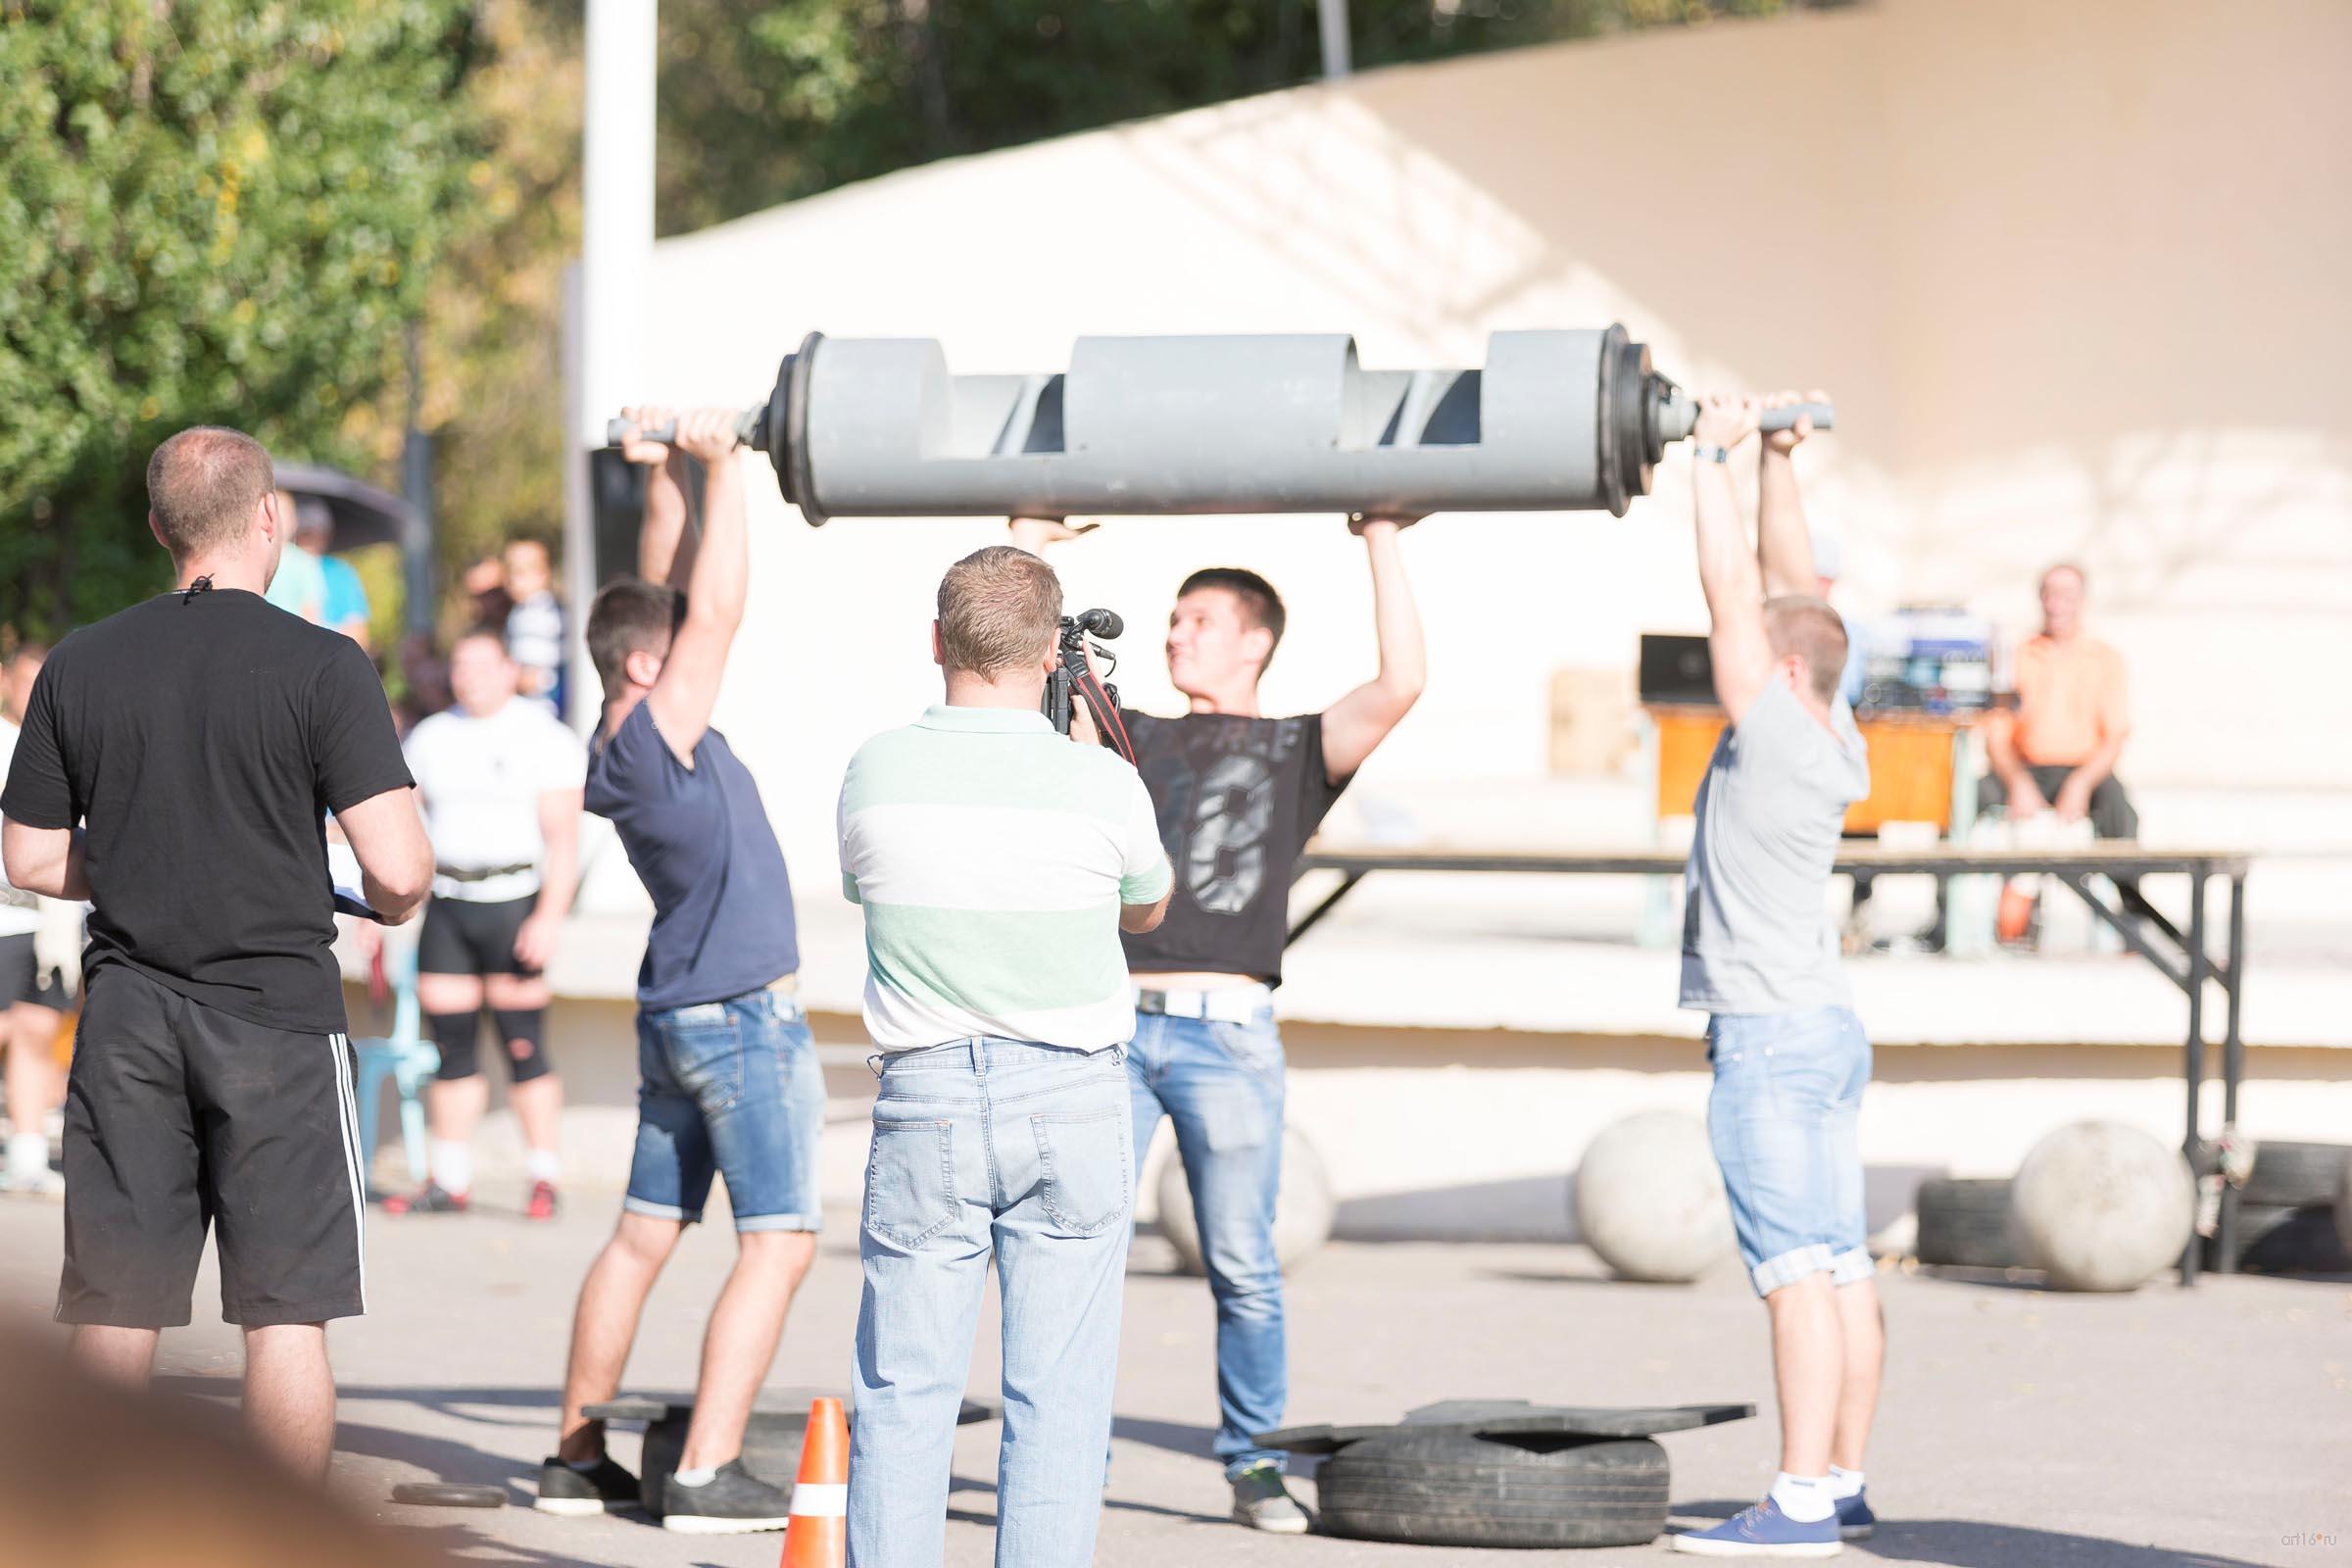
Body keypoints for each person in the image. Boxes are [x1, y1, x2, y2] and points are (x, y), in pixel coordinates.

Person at [0, 426, 432, 1479]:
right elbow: (404, 868)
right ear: (269, 517)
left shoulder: (81, 662)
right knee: (285, 1316)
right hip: (278, 1018)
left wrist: (150, 861)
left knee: (115, 1310)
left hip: (130, 1021)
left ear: (159, 530)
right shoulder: (325, 665)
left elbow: (31, 856)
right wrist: (362, 890)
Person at [1010, 507, 1426, 1532]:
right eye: (1172, 620)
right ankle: (1067, 1453)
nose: (1174, 633)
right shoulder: (1130, 732)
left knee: (1243, 1263)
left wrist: (1381, 536)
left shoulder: (1297, 747)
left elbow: (1402, 683)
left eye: (1198, 619)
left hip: (1229, 1038)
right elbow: (1017, 684)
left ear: (1255, 639)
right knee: (1078, 1248)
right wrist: (1029, 544)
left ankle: (1252, 1465)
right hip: (1115, 1028)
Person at [839, 544, 1172, 1568]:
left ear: (937, 641)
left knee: (904, 1393)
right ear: (1047, 652)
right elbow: (1148, 908)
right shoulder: (1100, 783)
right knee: (1058, 1400)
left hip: (927, 1091)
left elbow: (868, 888)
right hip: (1070, 1093)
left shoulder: (876, 768)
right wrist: (1084, 745)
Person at [539, 409, 821, 1534]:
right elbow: (717, 607)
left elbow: (661, 592)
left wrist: (662, 478)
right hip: (742, 1021)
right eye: (678, 652)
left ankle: (574, 1459)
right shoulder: (664, 732)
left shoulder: (618, 728)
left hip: (678, 1013)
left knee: (643, 1233)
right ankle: (706, 1472)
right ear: (649, 665)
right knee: (782, 1242)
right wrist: (726, 467)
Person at [1668, 393, 1881, 1557]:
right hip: (1825, 1028)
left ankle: (1797, 1504)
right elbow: (1796, 592)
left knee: (1795, 1268)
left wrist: (1710, 455)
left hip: (1764, 1037)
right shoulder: (1832, 724)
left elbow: (1732, 595)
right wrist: (1781, 464)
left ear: (1781, 661)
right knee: (1841, 1262)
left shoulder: (1777, 723)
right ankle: (1840, 1478)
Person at [382, 626, 585, 1221]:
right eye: (461, 667)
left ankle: (544, 1178)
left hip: (515, 900)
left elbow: (565, 841)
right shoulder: (432, 736)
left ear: (508, 670)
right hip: (450, 902)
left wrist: (549, 918)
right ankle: (449, 1179)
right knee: (452, 1050)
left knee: (524, 1045)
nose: (470, 678)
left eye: (483, 666)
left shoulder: (542, 735)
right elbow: (404, 824)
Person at [1, 641, 70, 1196]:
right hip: (3, 914)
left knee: (37, 1032)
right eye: (25, 680)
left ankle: (26, 1153)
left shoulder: (60, 743)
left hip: (47, 922)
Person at [294, 503, 372, 651]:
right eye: (303, 535)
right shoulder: (283, 569)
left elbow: (359, 632)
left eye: (313, 535)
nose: (307, 542)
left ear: (326, 536)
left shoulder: (340, 572)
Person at [503, 538, 566, 715]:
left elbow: (548, 671)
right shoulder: (519, 612)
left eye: (521, 573)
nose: (511, 580)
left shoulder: (547, 614)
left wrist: (536, 680)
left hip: (545, 707)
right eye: (509, 572)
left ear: (543, 573)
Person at [262, 489, 329, 624]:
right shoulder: (256, 558)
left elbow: (311, 609)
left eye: (285, 515)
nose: (280, 521)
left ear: (294, 522)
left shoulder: (305, 563)